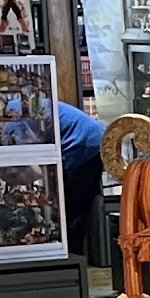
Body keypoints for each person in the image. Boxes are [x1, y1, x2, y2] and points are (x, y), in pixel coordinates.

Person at [57, 101, 104, 254]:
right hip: (90, 139)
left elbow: (34, 171)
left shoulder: (14, 119)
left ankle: (72, 256)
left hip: (86, 145)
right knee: (74, 207)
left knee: (74, 209)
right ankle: (72, 253)